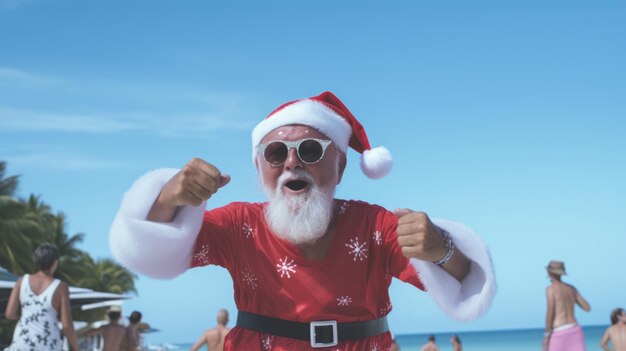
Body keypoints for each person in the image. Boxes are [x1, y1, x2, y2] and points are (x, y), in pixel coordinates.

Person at [109, 91, 496, 349]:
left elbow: (464, 282)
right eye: (276, 153)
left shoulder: (374, 226)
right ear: (260, 168)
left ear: (340, 165)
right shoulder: (241, 225)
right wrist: (169, 196)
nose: (292, 161)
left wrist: (441, 248)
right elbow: (153, 251)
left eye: (310, 149)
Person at [4, 243, 79, 351]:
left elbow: (9, 314)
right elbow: (66, 324)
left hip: (22, 342)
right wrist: (75, 348)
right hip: (47, 344)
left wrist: (28, 317)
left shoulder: (22, 281)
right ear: (54, 263)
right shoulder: (61, 287)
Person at [543, 260, 591, 351]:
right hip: (575, 330)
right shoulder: (571, 288)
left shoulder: (550, 289)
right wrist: (571, 298)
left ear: (549, 272)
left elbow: (550, 313)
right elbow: (587, 307)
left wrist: (546, 336)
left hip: (559, 332)